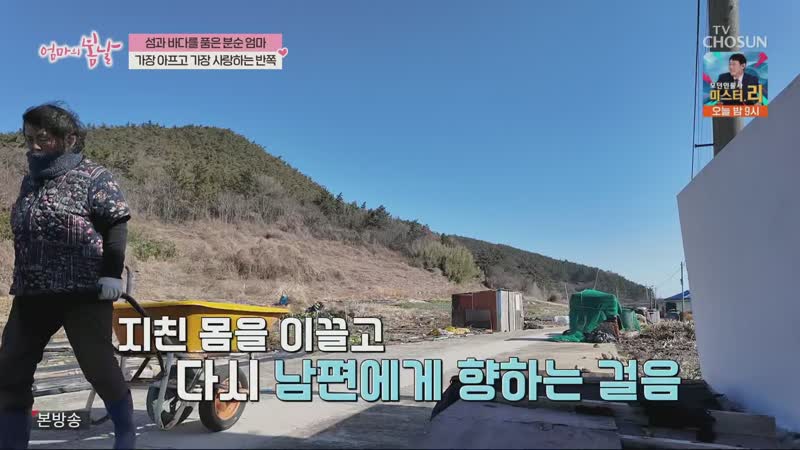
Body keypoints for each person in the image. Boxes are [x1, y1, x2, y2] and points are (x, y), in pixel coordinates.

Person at [0, 104, 135, 449]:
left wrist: (111, 274)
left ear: (69, 139)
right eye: (29, 138)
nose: (33, 145)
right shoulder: (30, 181)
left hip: (83, 291)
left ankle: (125, 432)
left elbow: (116, 225)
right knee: (10, 368)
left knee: (98, 367)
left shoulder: (94, 176)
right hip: (32, 290)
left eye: (42, 138)